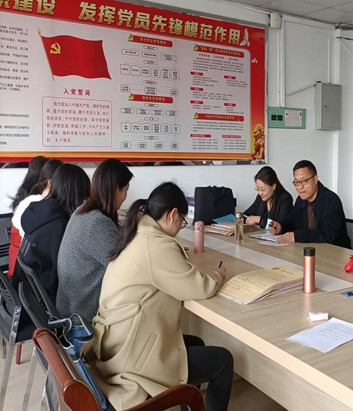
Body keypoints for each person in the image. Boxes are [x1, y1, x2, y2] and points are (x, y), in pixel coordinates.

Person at [91, 182, 232, 411]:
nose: (180, 227)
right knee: (223, 361)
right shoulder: (155, 244)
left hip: (117, 341)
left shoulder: (138, 233)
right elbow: (199, 287)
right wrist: (218, 275)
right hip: (131, 357)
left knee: (196, 343)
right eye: (182, 221)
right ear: (172, 214)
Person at [56, 158, 133, 321]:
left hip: (70, 307)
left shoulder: (83, 211)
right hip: (82, 319)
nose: (126, 196)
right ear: (115, 189)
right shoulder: (97, 223)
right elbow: (128, 268)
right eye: (126, 190)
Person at [14, 164, 90, 302]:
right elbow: (63, 277)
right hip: (47, 300)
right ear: (77, 194)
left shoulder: (37, 210)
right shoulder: (59, 226)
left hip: (26, 293)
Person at [269, 160, 351, 248]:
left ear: (315, 179)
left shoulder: (332, 200)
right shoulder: (300, 200)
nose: (300, 187)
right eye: (297, 182)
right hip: (308, 249)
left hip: (334, 251)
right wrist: (281, 227)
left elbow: (328, 235)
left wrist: (297, 236)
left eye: (304, 181)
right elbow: (292, 221)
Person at [9, 158, 62, 276]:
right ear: (50, 181)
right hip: (24, 274)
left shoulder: (29, 199)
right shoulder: (38, 205)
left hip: (20, 268)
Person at [243, 166, 293, 230]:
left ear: (273, 186)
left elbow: (280, 227)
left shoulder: (285, 199)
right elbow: (245, 215)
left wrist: (259, 220)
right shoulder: (260, 198)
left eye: (262, 189)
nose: (260, 193)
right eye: (258, 189)